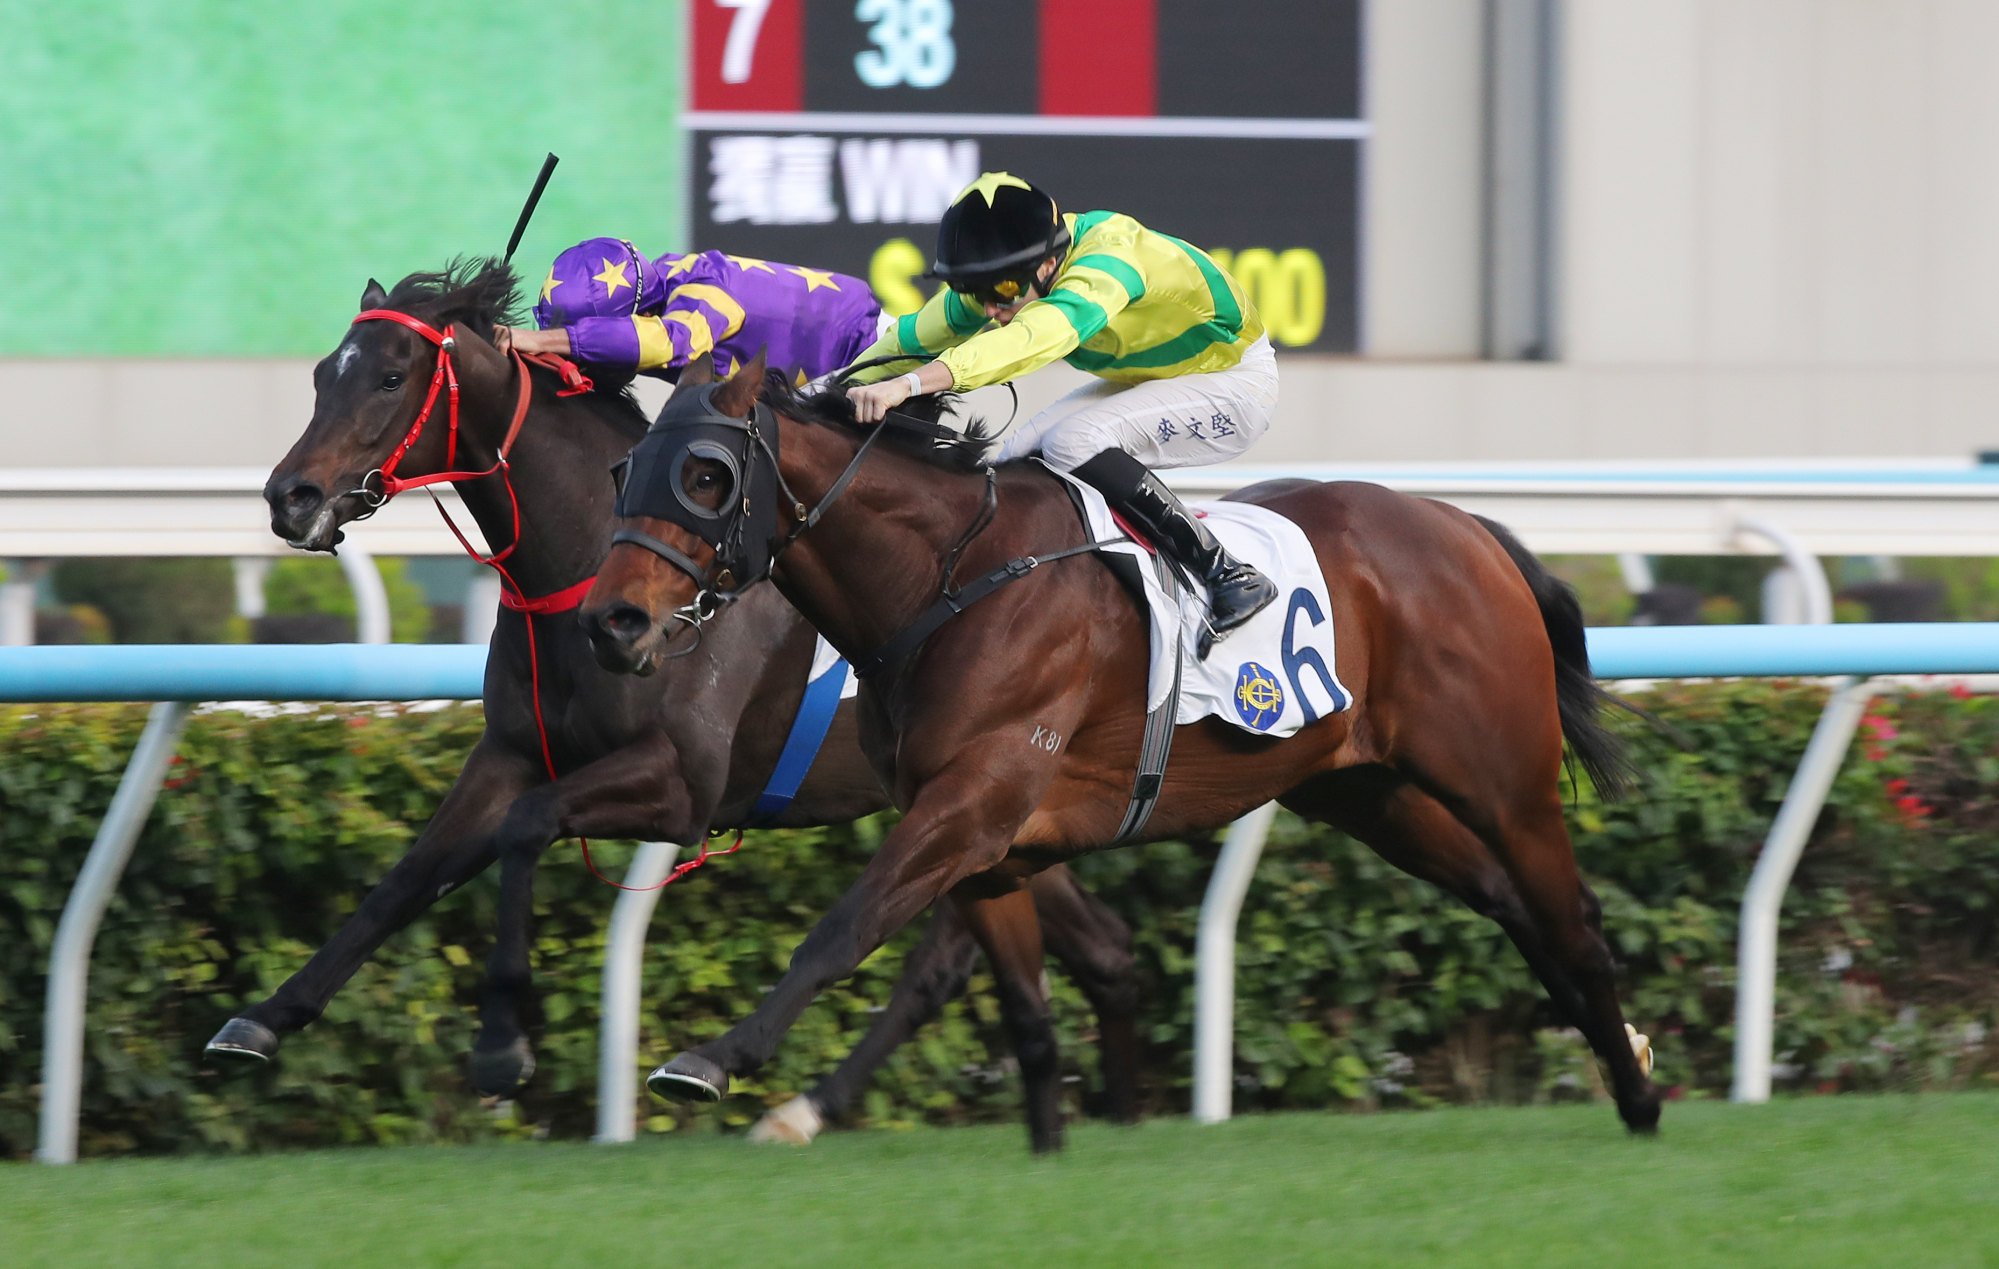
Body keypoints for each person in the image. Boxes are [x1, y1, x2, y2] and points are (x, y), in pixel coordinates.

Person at [840, 173, 1278, 654]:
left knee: (1074, 442)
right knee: (1008, 459)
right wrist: (827, 392)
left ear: (1050, 264)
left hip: (1234, 384)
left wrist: (912, 384)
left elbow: (1033, 338)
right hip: (1163, 378)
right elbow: (911, 340)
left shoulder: (1110, 262)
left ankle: (1226, 572)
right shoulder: (1014, 273)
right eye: (976, 290)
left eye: (1003, 291)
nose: (992, 308)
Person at [496, 237, 886, 387]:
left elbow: (669, 344)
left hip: (869, 362)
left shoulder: (706, 293)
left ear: (641, 318)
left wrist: (540, 339)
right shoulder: (653, 282)